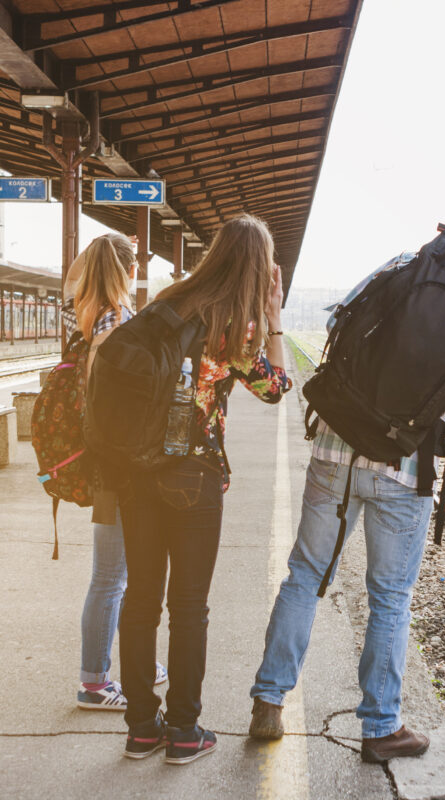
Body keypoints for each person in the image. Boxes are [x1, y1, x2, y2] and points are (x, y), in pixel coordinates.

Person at [249, 208, 445, 762]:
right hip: (403, 463)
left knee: (306, 575)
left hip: (337, 443)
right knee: (390, 597)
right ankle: (381, 727)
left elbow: (345, 314)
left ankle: (268, 700)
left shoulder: (414, 262)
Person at [118, 215, 291, 764]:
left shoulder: (168, 302)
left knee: (140, 599)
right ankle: (184, 732)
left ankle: (142, 728)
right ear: (259, 269)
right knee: (188, 607)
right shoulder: (233, 325)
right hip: (194, 478)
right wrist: (274, 319)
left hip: (136, 470)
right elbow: (276, 389)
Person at [62, 234, 168, 711]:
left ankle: (133, 663)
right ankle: (94, 682)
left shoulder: (85, 312)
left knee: (117, 573)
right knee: (110, 576)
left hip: (104, 455)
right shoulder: (122, 321)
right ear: (129, 273)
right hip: (121, 462)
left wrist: (105, 244)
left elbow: (72, 279)